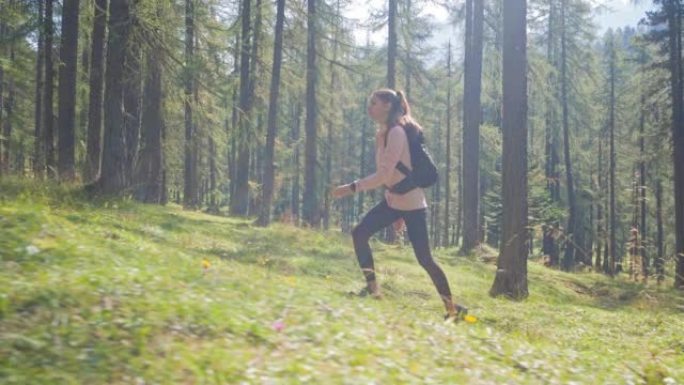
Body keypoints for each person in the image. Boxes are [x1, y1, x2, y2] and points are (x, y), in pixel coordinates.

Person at [332, 88, 467, 321]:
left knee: (425, 259)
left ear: (387, 106)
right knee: (360, 233)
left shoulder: (396, 133)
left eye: (373, 102)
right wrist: (396, 211)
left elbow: (384, 174)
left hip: (413, 205)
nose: (369, 106)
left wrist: (351, 187)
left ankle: (452, 309)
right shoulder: (382, 134)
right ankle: (373, 290)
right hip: (394, 201)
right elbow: (391, 175)